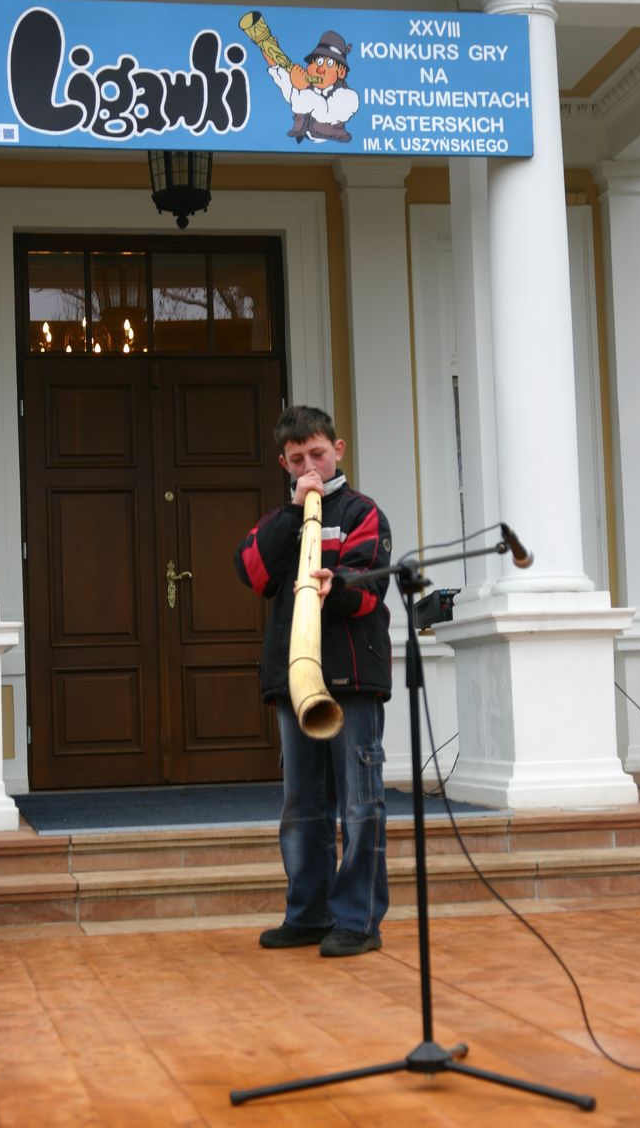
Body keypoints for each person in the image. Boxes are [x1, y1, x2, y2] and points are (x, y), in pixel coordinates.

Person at [234, 406, 392, 957]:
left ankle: (357, 921)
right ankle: (307, 913)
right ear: (284, 463)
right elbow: (252, 570)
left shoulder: (362, 512)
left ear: (338, 450)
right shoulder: (279, 520)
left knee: (360, 805)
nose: (309, 466)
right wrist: (294, 512)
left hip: (352, 675)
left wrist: (337, 584)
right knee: (302, 806)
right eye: (297, 458)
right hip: (295, 680)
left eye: (318, 454)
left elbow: (371, 583)